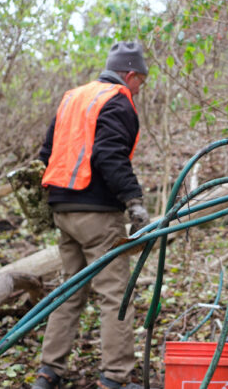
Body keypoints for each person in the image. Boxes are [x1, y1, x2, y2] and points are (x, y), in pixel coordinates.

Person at [32, 41, 151, 389]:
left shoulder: (74, 97)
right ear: (130, 75)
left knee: (70, 292)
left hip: (63, 209)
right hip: (97, 214)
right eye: (141, 81)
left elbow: (45, 153)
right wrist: (134, 200)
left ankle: (48, 372)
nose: (139, 89)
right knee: (116, 294)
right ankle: (116, 377)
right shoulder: (117, 100)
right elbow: (109, 154)